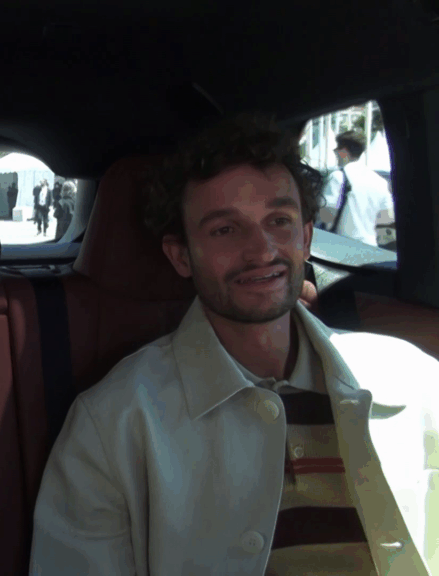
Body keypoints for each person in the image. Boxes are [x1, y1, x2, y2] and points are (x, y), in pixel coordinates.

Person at [30, 114, 439, 575]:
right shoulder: (112, 424)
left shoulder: (417, 379)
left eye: (279, 221)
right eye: (225, 229)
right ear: (181, 256)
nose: (262, 250)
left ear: (306, 237)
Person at [319, 130, 394, 246]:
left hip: (341, 246)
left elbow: (325, 216)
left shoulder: (339, 177)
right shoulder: (381, 182)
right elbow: (386, 219)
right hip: (371, 248)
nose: (335, 152)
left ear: (344, 151)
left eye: (336, 148)